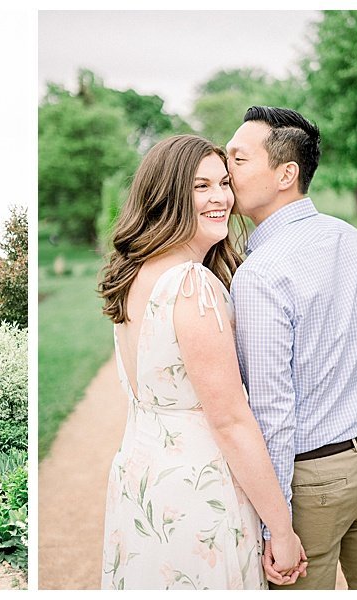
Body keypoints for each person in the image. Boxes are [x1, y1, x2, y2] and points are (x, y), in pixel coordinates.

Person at [97, 134, 307, 590]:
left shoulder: (135, 275)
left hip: (144, 484)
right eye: (200, 186)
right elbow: (231, 420)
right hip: (198, 493)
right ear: (169, 194)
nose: (221, 198)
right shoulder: (192, 284)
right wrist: (283, 530)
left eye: (224, 183)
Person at [227, 106, 357, 590]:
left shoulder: (260, 276)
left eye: (238, 159)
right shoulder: (354, 239)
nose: (226, 170)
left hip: (310, 482)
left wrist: (276, 524)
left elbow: (272, 411)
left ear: (286, 174)